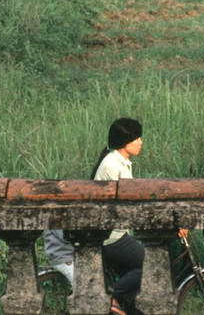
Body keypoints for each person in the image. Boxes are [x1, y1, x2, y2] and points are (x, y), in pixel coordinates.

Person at [93, 117, 145, 315]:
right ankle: (113, 296)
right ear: (125, 141)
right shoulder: (113, 165)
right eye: (137, 138)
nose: (140, 142)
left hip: (118, 232)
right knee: (152, 265)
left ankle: (121, 301)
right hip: (112, 236)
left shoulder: (119, 162)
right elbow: (127, 205)